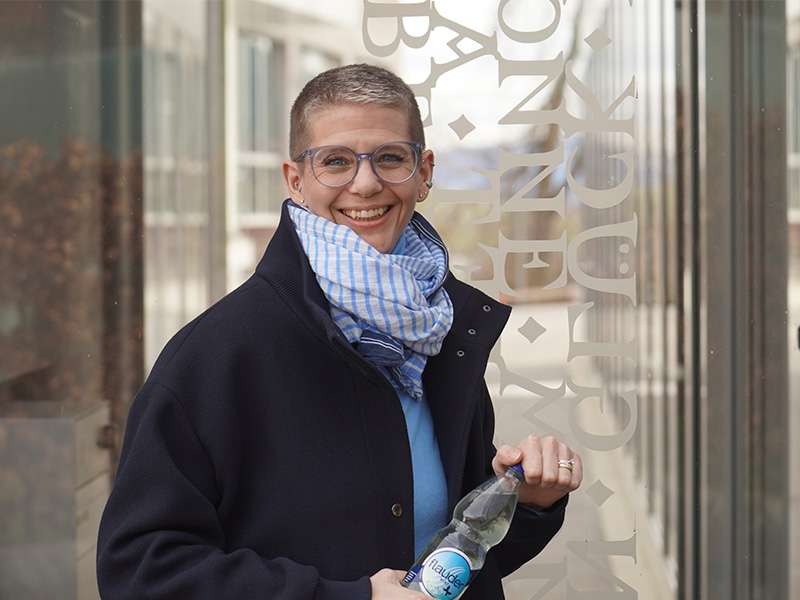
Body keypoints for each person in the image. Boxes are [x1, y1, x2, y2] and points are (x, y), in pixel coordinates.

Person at [96, 63, 582, 600]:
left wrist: (526, 501)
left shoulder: (438, 331)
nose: (366, 183)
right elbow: (140, 571)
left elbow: (457, 554)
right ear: (296, 181)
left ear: (424, 173)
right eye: (335, 161)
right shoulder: (217, 355)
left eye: (390, 158)